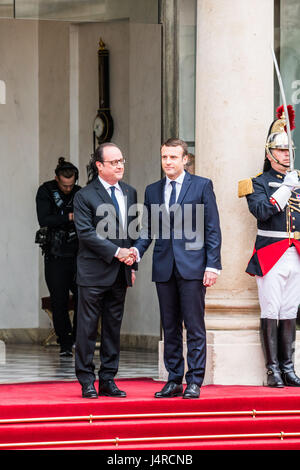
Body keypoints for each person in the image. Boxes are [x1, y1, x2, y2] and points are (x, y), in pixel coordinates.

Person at [129, 138, 222, 399]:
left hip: (193, 267)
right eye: (164, 157)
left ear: (185, 159)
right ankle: (173, 379)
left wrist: (213, 265)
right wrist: (136, 251)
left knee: (194, 326)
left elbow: (212, 228)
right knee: (169, 327)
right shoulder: (153, 190)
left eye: (173, 157)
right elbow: (147, 229)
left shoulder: (202, 186)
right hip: (164, 266)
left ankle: (194, 380)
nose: (167, 162)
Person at [239, 105, 300, 387]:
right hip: (271, 253)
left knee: (289, 311)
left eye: (289, 150)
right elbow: (262, 211)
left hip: (295, 253)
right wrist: (286, 188)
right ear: (269, 153)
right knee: (271, 310)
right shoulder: (256, 183)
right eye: (281, 150)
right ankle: (272, 369)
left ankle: (288, 367)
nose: (286, 154)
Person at [73, 143, 138, 399]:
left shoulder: (130, 192)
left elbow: (131, 232)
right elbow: (86, 233)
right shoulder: (85, 196)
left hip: (120, 273)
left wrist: (133, 263)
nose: (120, 165)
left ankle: (108, 378)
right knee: (87, 328)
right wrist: (116, 252)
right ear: (99, 165)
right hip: (93, 272)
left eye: (122, 160)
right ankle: (86, 380)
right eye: (114, 162)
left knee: (113, 327)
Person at [36, 157, 81, 357]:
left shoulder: (80, 193)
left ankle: (78, 338)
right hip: (55, 253)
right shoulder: (46, 190)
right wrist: (70, 217)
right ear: (57, 179)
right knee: (59, 300)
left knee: (84, 297)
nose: (68, 189)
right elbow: (44, 219)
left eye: (71, 185)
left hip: (78, 254)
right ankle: (64, 343)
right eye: (64, 185)